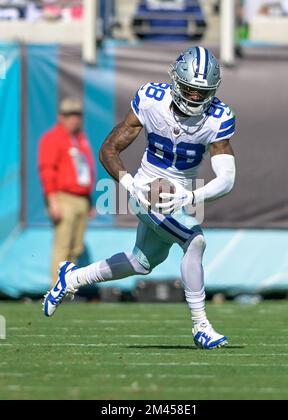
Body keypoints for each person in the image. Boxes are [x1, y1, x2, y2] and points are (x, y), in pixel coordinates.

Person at [43, 47, 236, 350]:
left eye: (203, 92)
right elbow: (108, 149)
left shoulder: (218, 118)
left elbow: (227, 179)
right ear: (175, 81)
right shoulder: (151, 100)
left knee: (141, 262)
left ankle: (71, 278)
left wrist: (190, 195)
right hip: (147, 188)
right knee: (195, 240)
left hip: (181, 196)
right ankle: (201, 325)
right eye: (189, 89)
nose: (196, 98)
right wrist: (132, 186)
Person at [38, 98, 95, 287]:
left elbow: (84, 172)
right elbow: (47, 170)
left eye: (77, 115)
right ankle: (56, 287)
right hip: (63, 197)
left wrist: (89, 200)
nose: (74, 119)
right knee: (63, 244)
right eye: (69, 115)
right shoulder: (52, 137)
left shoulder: (81, 139)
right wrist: (52, 201)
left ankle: (68, 287)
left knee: (76, 247)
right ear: (60, 117)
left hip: (81, 199)